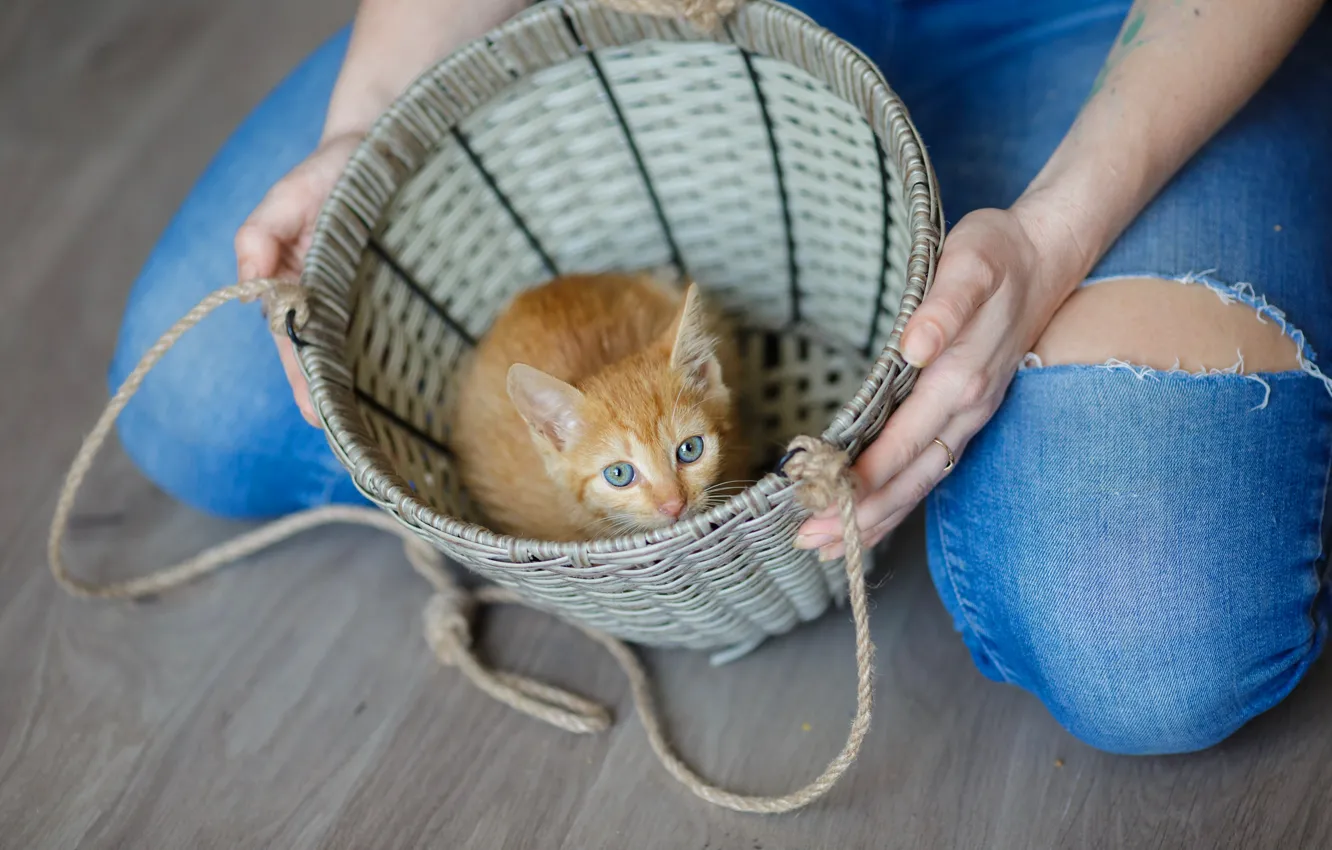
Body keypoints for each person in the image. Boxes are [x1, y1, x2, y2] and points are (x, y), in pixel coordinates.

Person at [109, 0, 1332, 756]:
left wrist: (1057, 238)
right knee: (195, 410)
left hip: (1100, 29)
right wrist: (370, 120)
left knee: (1148, 634)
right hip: (688, 27)